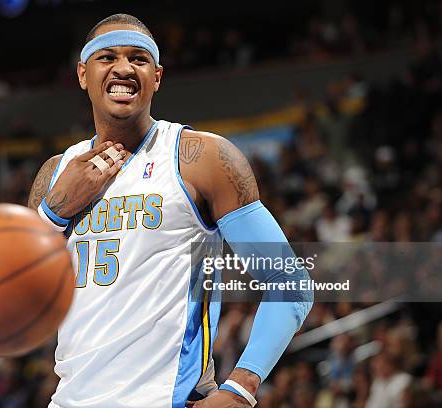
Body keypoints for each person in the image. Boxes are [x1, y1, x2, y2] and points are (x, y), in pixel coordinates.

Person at [28, 14, 313, 408]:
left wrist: (241, 388)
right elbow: (21, 302)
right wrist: (51, 214)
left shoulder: (200, 157)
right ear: (82, 74)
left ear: (157, 77)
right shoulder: (54, 174)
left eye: (139, 59)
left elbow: (290, 280)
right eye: (107, 57)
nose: (124, 68)